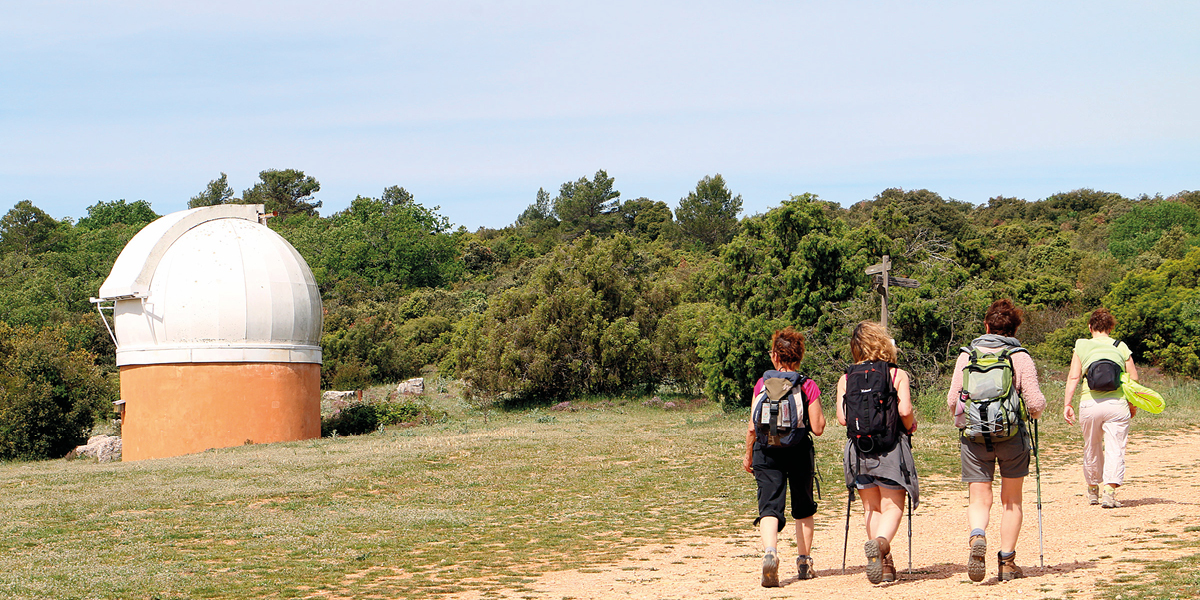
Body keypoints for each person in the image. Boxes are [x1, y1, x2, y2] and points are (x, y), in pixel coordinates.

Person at [946, 299, 1045, 582]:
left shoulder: (967, 356)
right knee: (1011, 500)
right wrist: (1034, 409)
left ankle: (977, 535)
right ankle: (1006, 562)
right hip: (1012, 436)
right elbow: (1035, 403)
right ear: (1014, 329)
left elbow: (953, 401)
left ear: (986, 325)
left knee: (979, 498)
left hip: (974, 438)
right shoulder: (1020, 357)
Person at [836, 321, 919, 584]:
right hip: (890, 448)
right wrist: (911, 426)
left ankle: (883, 564)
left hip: (859, 450)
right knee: (893, 506)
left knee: (871, 506)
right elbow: (904, 411)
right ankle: (881, 546)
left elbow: (841, 418)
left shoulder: (846, 378)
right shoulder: (896, 374)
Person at [743, 327, 827, 587]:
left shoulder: (762, 383)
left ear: (775, 357)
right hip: (799, 450)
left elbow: (751, 427)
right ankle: (804, 562)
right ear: (800, 356)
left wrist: (748, 455)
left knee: (769, 506)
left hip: (766, 451)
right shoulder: (807, 385)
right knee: (803, 507)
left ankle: (770, 553)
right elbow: (819, 427)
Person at [1062, 307, 1138, 508]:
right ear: (1110, 327)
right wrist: (1132, 404)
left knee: (1091, 445)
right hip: (1116, 403)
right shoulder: (1120, 346)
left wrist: (1067, 403)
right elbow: (1134, 378)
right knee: (1116, 447)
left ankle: (1093, 490)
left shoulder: (1082, 346)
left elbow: (1074, 376)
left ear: (1090, 327)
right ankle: (1109, 493)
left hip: (1090, 403)